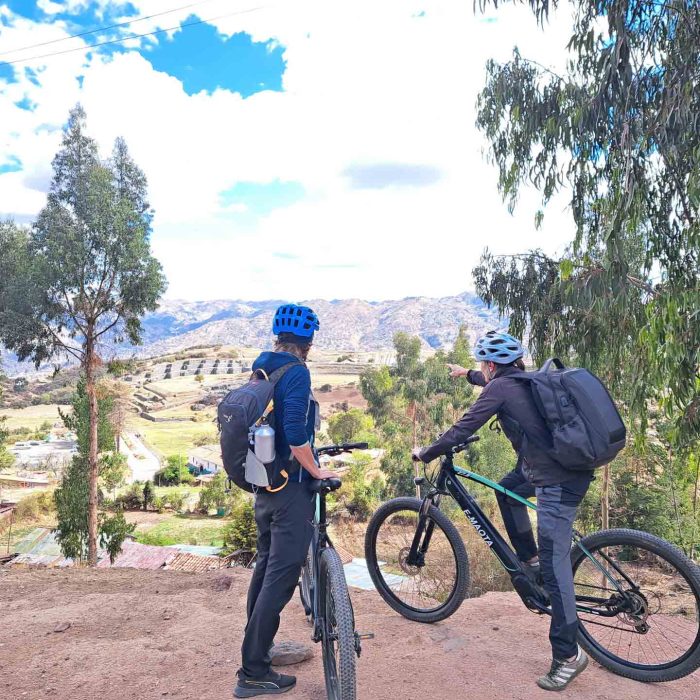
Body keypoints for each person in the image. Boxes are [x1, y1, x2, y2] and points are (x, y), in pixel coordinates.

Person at [412, 330, 593, 691]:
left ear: (492, 365)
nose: (482, 370)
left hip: (557, 478)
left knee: (557, 570)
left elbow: (463, 426)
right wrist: (466, 374)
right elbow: (491, 382)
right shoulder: (524, 378)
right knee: (508, 491)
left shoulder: (500, 388)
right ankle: (530, 560)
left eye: (482, 365)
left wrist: (426, 452)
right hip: (549, 468)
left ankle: (568, 656)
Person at [235, 304, 336, 698]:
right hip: (290, 490)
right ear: (308, 343)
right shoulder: (296, 372)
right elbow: (295, 434)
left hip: (264, 487)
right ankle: (253, 672)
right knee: (281, 575)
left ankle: (259, 652)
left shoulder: (264, 365)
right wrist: (316, 470)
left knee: (265, 569)